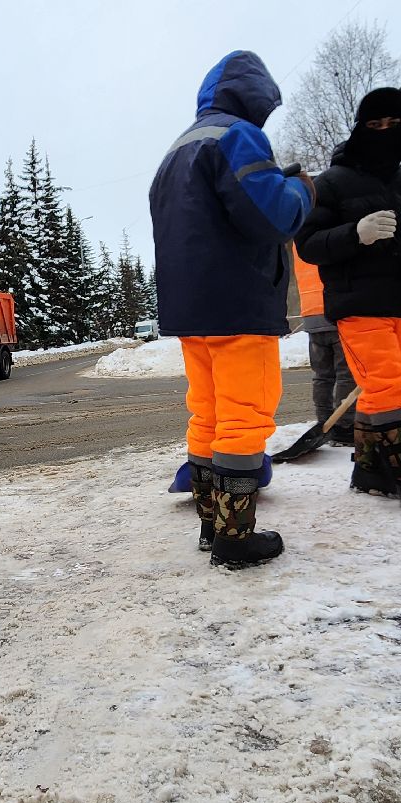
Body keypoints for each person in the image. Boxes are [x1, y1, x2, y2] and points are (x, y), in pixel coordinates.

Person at [150, 51, 314, 569]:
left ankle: (210, 523)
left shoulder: (176, 150)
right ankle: (235, 538)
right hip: (238, 307)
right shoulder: (237, 136)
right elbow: (277, 215)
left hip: (190, 311)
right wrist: (303, 189)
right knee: (245, 417)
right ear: (255, 97)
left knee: (209, 414)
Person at [295, 87, 401, 520]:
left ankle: (368, 472)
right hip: (355, 302)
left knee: (380, 387)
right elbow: (309, 244)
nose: (384, 131)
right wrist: (356, 233)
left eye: (393, 124)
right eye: (374, 125)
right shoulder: (332, 183)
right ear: (360, 128)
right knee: (391, 387)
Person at [293, 255, 354, 444]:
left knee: (322, 375)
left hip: (311, 311)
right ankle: (344, 427)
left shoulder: (301, 234)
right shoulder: (329, 228)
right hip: (336, 307)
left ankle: (324, 422)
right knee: (346, 373)